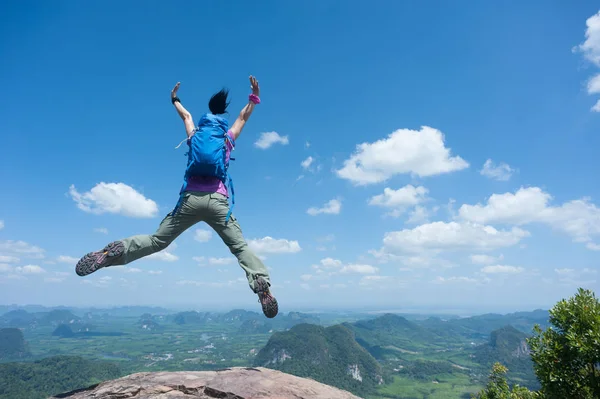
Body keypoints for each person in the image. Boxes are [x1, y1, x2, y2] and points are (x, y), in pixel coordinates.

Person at [74, 76, 278, 319]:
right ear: (222, 118)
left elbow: (186, 116)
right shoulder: (226, 139)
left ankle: (113, 253)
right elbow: (243, 117)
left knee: (158, 240)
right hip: (217, 201)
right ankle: (261, 285)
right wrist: (253, 97)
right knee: (239, 247)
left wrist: (175, 99)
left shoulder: (195, 135)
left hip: (190, 199)